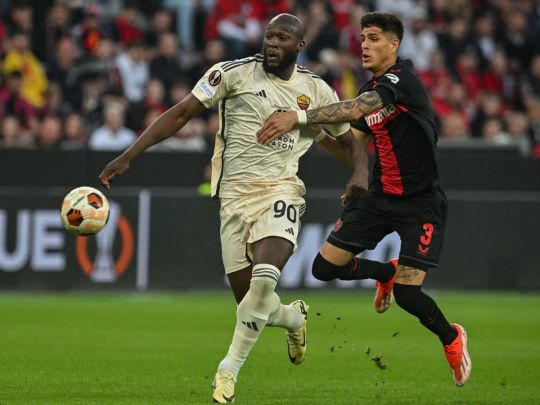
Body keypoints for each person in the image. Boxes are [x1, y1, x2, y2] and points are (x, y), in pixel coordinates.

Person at [98, 13, 366, 403]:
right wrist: (129, 155)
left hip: (281, 191)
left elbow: (349, 141)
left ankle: (227, 371)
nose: (272, 43)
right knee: (252, 306)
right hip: (234, 199)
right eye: (269, 36)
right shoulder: (233, 74)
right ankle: (293, 317)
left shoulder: (316, 89)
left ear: (299, 45)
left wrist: (361, 171)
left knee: (264, 281)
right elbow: (182, 112)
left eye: (282, 38)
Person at [257, 11, 472, 387]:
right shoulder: (372, 87)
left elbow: (358, 107)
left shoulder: (401, 81)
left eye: (374, 38)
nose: (365, 46)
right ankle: (385, 273)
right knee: (324, 268)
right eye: (362, 38)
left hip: (420, 203)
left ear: (394, 44)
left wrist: (298, 116)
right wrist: (338, 155)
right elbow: (354, 141)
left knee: (408, 296)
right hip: (377, 197)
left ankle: (451, 337)